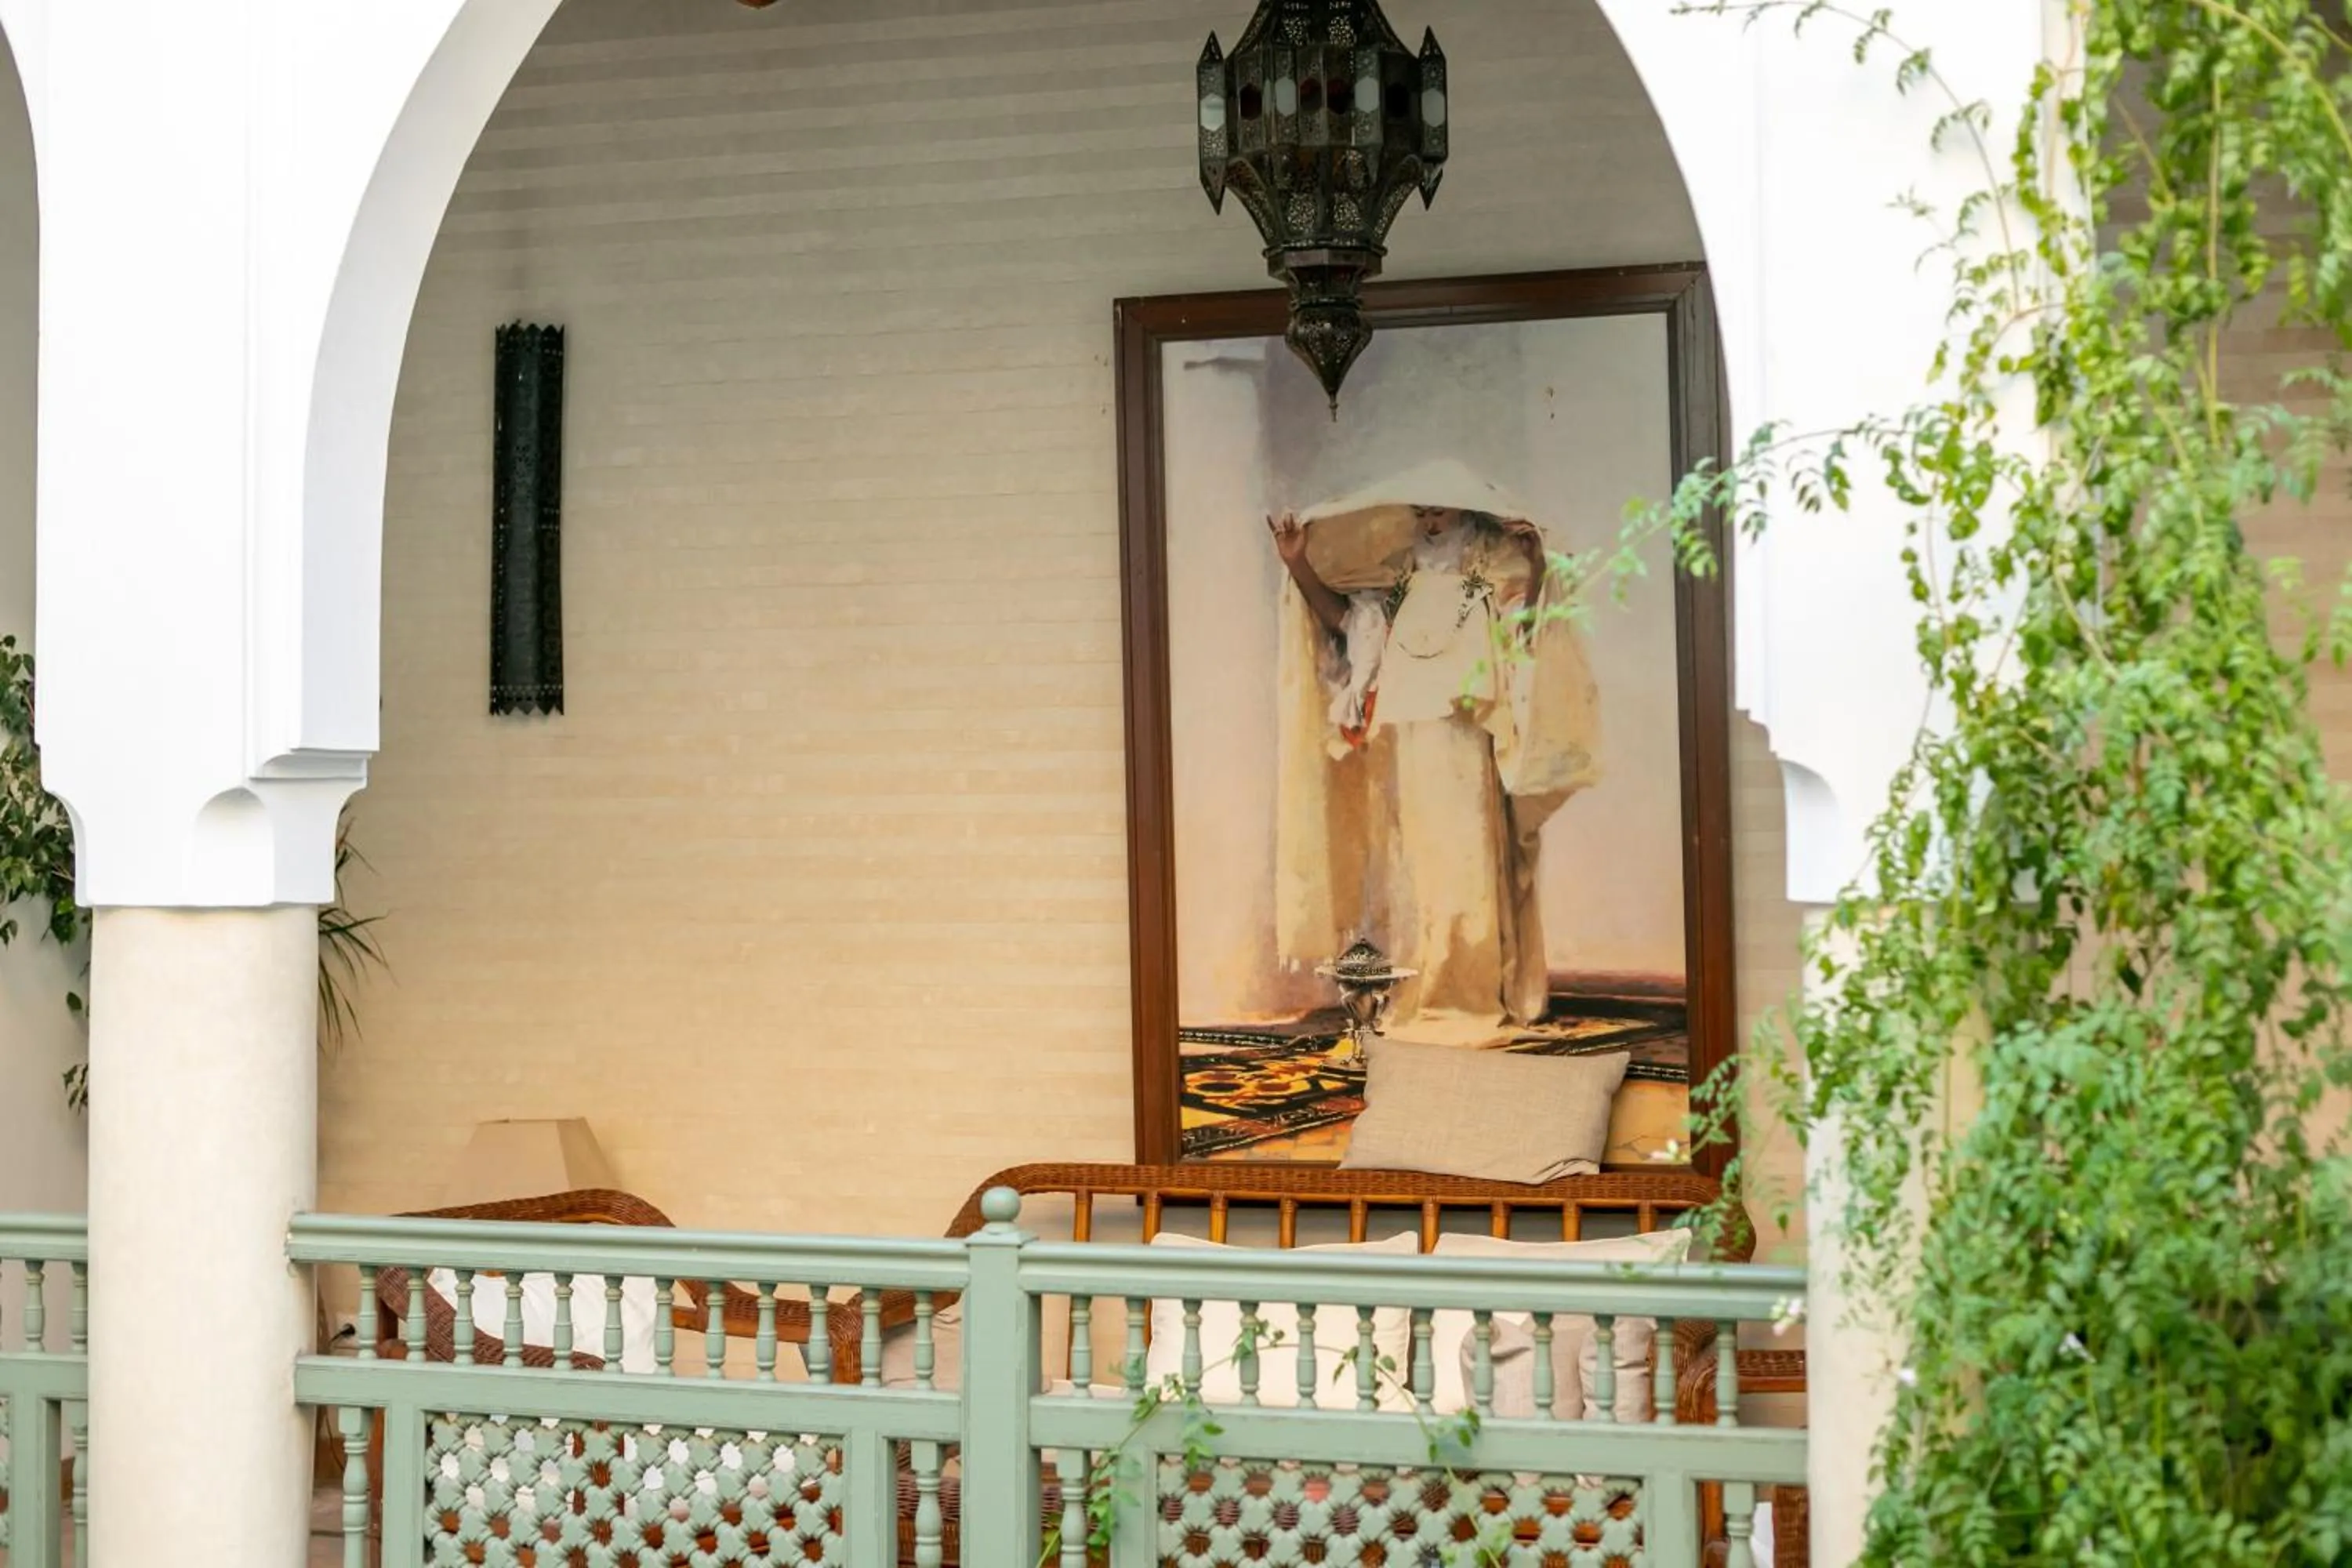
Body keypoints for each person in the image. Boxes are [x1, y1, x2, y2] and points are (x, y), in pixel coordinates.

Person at [1266, 461, 1601, 1045]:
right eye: (1421, 513)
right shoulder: (1399, 579)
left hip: (1467, 736)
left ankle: (1469, 993)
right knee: (1416, 871)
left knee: (1466, 865)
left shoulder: (1494, 571)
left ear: (1466, 513)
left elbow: (1535, 629)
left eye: (1439, 510)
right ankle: (1424, 990)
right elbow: (1347, 623)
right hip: (1408, 741)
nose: (1430, 522)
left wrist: (1540, 560)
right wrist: (1297, 563)